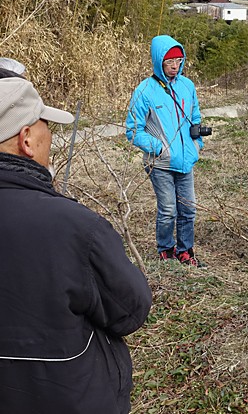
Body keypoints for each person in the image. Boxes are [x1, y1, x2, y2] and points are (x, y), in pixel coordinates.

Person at [0, 76, 152, 413]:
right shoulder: (78, 228)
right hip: (69, 398)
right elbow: (131, 310)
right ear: (27, 139)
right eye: (45, 126)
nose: (50, 137)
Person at [126, 35, 206, 267]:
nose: (175, 66)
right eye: (170, 62)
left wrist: (196, 144)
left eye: (179, 61)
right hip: (160, 163)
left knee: (188, 209)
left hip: (186, 160)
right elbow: (133, 130)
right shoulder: (145, 91)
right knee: (169, 209)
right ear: (158, 61)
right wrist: (160, 148)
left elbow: (195, 118)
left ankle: (185, 250)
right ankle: (165, 248)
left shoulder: (187, 86)